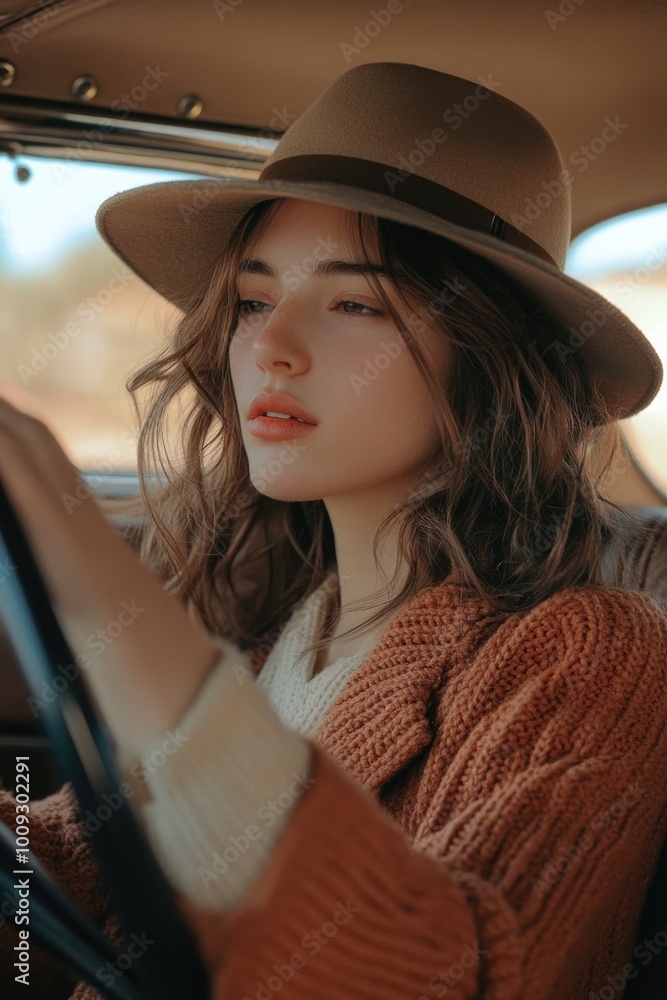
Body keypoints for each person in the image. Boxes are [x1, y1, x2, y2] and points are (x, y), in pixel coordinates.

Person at [0, 61, 666, 1000]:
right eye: (255, 299)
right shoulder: (285, 624)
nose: (269, 346)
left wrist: (95, 575)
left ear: (489, 363)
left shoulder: (589, 658)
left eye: (355, 303)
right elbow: (67, 857)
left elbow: (450, 975)